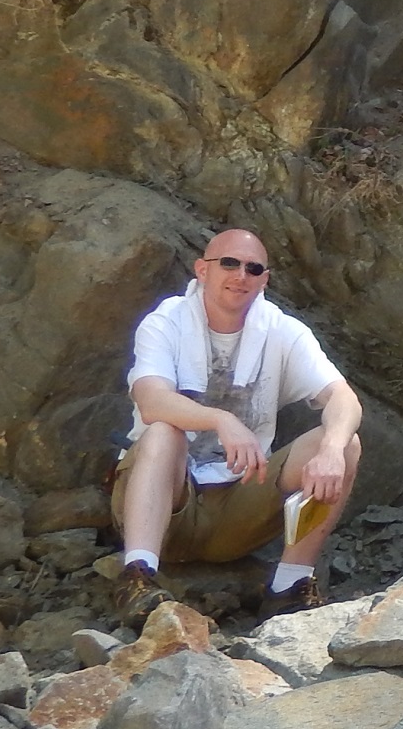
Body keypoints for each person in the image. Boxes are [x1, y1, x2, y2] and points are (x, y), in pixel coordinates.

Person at [112, 229, 364, 623]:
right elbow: (150, 400)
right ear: (202, 270)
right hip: (168, 496)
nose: (240, 275)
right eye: (228, 263)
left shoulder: (282, 331)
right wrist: (220, 419)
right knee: (163, 429)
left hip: (237, 504)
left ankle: (290, 587)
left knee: (345, 444)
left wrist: (331, 449)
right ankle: (138, 577)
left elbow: (343, 397)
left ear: (264, 280)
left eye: (253, 268)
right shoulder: (167, 322)